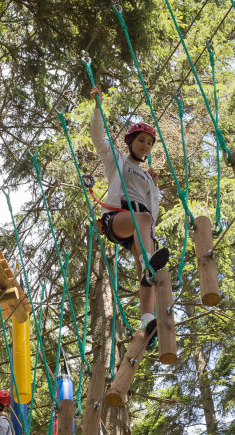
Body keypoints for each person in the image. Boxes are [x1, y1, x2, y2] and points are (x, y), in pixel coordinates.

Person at [89, 86, 170, 337]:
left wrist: (154, 187)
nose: (145, 145)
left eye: (149, 143)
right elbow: (98, 138)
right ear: (131, 142)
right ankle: (147, 261)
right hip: (118, 217)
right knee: (142, 223)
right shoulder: (117, 160)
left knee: (147, 273)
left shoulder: (147, 178)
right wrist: (98, 108)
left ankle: (147, 320)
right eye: (141, 140)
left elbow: (152, 210)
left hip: (141, 225)